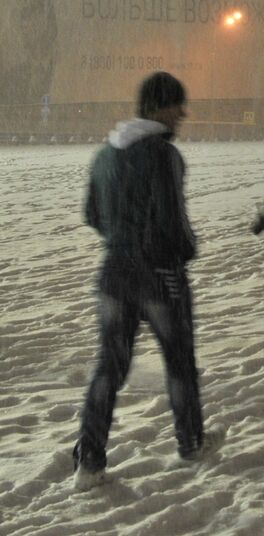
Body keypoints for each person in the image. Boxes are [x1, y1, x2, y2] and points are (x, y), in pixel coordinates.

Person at [72, 72, 215, 491]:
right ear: (160, 108)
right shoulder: (163, 155)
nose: (183, 114)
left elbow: (92, 215)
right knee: (179, 362)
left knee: (109, 368)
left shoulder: (105, 155)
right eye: (178, 105)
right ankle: (190, 443)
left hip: (114, 275)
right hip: (160, 276)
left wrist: (123, 242)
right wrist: (184, 251)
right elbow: (172, 221)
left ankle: (90, 459)